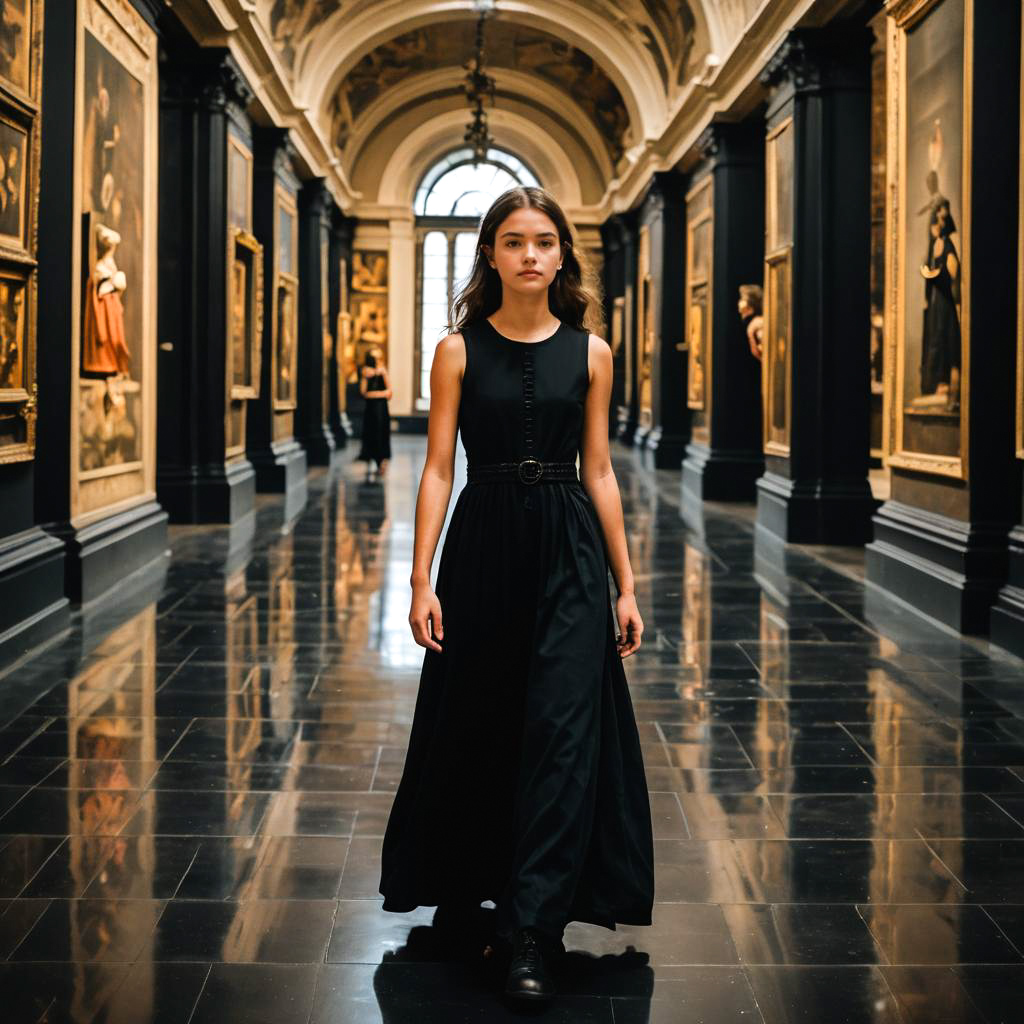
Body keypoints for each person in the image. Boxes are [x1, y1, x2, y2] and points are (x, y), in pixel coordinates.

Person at [378, 186, 654, 1005]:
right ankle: (480, 895)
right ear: (491, 256)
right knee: (484, 715)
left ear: (562, 253)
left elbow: (600, 470)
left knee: (565, 730)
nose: (530, 254)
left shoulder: (593, 352)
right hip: (485, 541)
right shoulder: (456, 350)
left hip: (568, 547)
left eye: (543, 241)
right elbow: (435, 469)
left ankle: (537, 928)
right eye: (512, 241)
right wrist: (421, 576)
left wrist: (627, 584)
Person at [355, 346, 392, 478]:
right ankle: (370, 457)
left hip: (381, 408)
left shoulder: (383, 371)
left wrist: (375, 393)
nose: (378, 360)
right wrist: (365, 376)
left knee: (381, 432)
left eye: (379, 358)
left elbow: (389, 393)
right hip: (370, 409)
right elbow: (363, 392)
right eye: (375, 358)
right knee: (370, 432)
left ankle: (382, 460)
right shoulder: (365, 371)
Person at [737, 283, 764, 361]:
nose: (739, 302)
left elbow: (756, 352)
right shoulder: (753, 323)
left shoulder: (756, 323)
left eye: (742, 299)